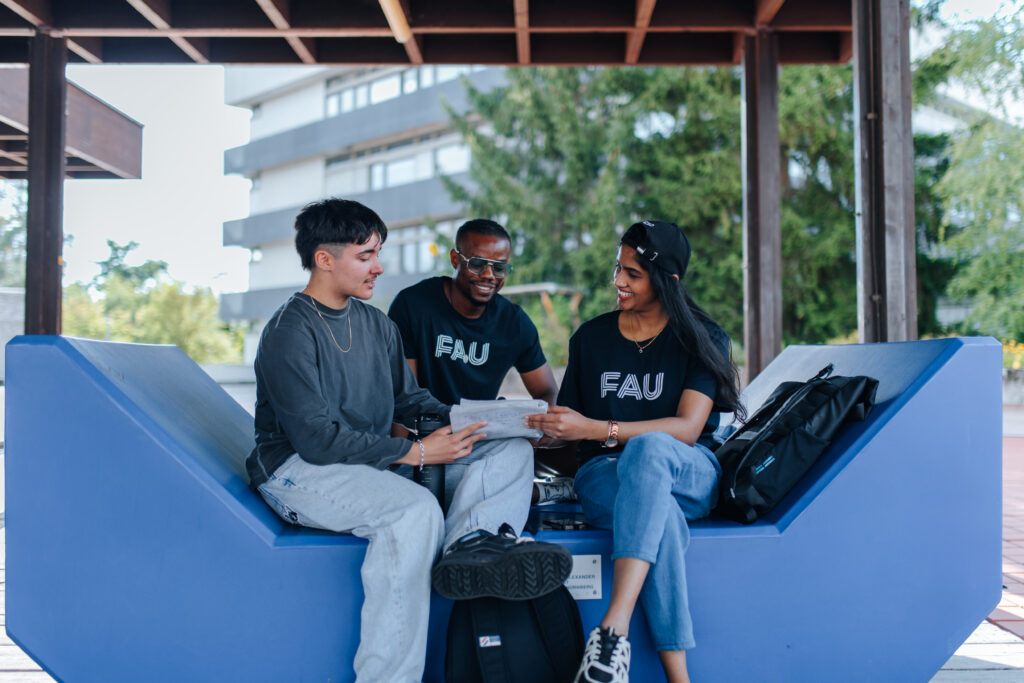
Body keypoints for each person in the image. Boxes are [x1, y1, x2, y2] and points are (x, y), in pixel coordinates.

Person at [246, 198, 569, 683]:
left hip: (364, 463)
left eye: (379, 253)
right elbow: (314, 440)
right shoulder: (290, 330)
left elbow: (410, 399)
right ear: (324, 259)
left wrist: (486, 420)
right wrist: (417, 452)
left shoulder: (375, 324)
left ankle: (471, 547)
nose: (379, 266)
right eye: (366, 256)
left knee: (509, 449)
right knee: (413, 512)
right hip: (296, 470)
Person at [526, 220, 745, 683]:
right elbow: (575, 426)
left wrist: (597, 426)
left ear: (668, 280)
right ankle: (676, 677)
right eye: (618, 268)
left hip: (690, 472)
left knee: (650, 451)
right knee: (656, 514)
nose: (618, 282)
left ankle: (613, 627)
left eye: (633, 274)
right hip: (606, 473)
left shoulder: (702, 337)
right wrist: (548, 430)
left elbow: (687, 429)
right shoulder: (591, 337)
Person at [388, 218, 570, 504]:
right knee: (488, 484)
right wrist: (397, 464)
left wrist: (540, 422)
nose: (489, 275)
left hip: (479, 445)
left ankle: (521, 498)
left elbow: (547, 391)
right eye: (477, 263)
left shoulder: (514, 323)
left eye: (499, 267)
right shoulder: (414, 305)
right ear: (454, 259)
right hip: (426, 447)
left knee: (519, 451)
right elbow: (401, 397)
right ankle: (533, 493)